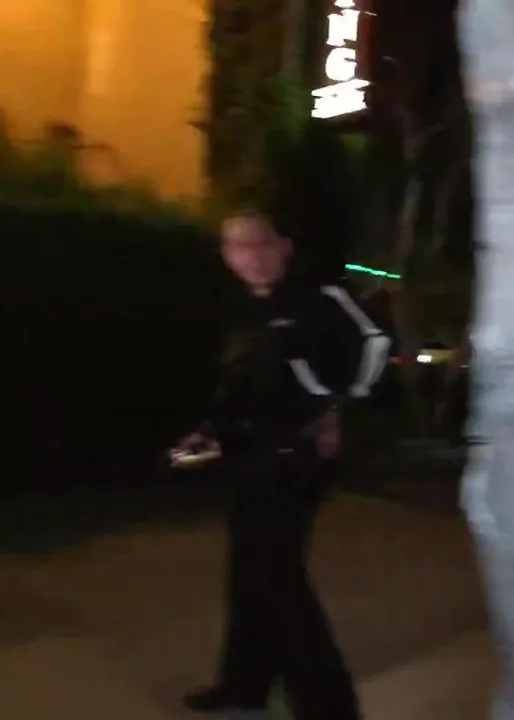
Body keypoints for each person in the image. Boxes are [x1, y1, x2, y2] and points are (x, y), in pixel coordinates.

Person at [172, 212, 390, 720]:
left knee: (278, 578)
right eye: (238, 246)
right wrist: (207, 430)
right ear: (226, 255)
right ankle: (243, 686)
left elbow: (375, 344)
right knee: (248, 571)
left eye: (261, 244)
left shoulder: (318, 298)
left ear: (284, 246)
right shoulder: (243, 309)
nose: (251, 256)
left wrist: (337, 409)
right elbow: (239, 383)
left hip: (298, 456)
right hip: (249, 454)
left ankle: (329, 707)